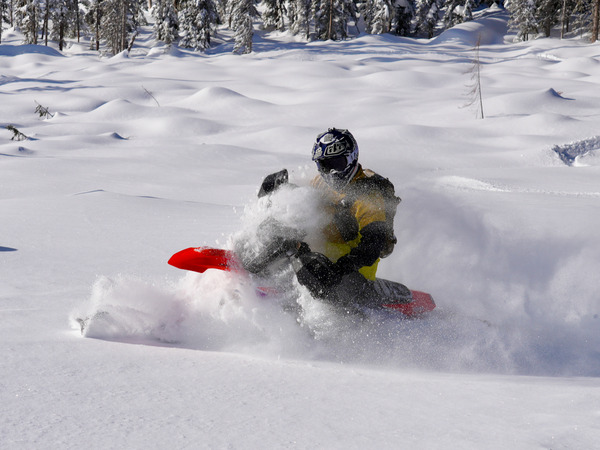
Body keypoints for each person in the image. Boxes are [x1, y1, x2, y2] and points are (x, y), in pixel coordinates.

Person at [294, 127, 406, 307]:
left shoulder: (367, 195)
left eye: (337, 164)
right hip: (323, 252)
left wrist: (338, 269)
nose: (331, 173)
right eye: (325, 165)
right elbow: (299, 206)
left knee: (327, 280)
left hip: (355, 270)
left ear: (351, 159)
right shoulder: (320, 181)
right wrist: (280, 194)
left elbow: (372, 246)